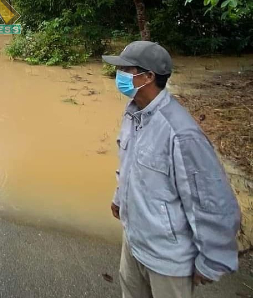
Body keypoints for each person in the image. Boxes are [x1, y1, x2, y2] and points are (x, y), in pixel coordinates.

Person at [103, 40, 241, 298]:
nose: (118, 76)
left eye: (126, 70)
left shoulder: (181, 133)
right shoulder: (135, 113)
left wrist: (211, 261)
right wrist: (120, 198)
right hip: (134, 242)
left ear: (148, 77)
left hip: (168, 261)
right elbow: (133, 163)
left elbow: (212, 201)